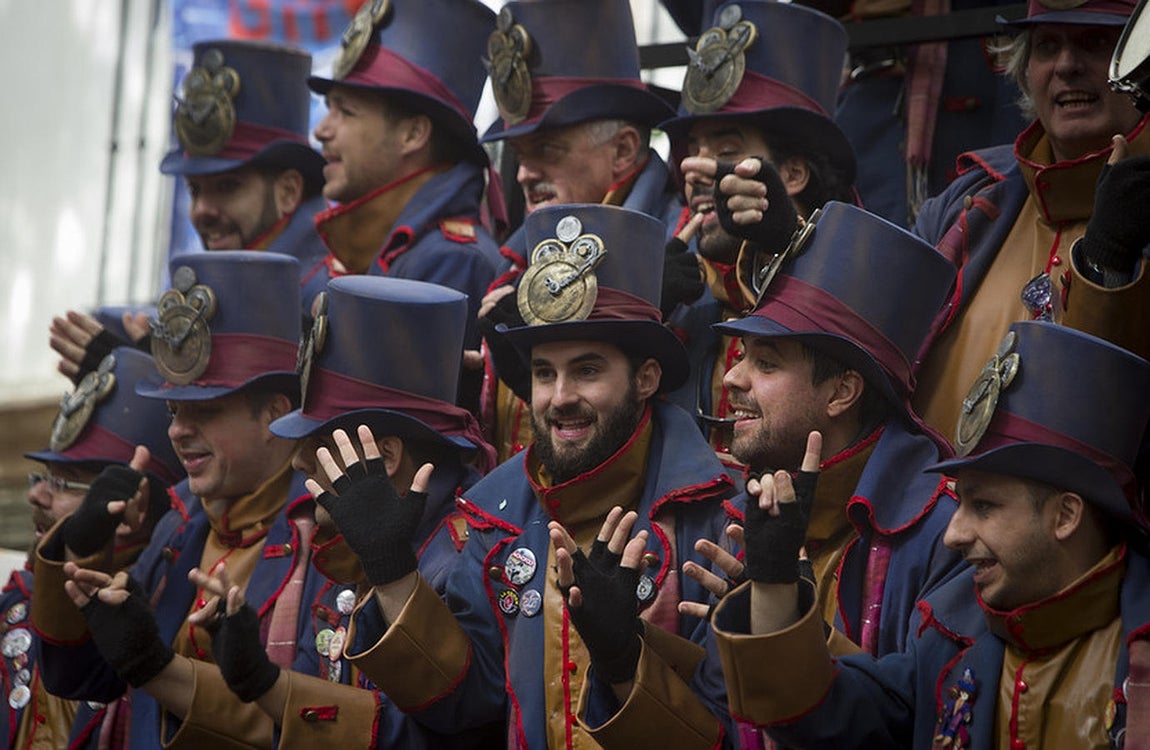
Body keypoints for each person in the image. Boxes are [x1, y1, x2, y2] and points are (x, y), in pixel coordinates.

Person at [312, 204, 739, 749]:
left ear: (647, 378)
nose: (559, 398)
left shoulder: (719, 519)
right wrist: (394, 575)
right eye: (544, 373)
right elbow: (466, 705)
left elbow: (736, 733)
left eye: (587, 369)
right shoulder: (495, 520)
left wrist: (626, 665)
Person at [574, 200, 968, 745]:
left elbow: (918, 726)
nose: (731, 377)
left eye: (766, 362)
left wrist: (787, 620)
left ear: (841, 391)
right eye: (740, 355)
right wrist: (624, 662)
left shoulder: (949, 535)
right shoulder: (748, 519)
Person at [711, 320, 1150, 748]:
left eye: (984, 506)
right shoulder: (950, 635)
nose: (953, 534)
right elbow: (829, 720)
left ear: (1066, 515)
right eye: (961, 505)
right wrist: (774, 589)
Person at [182, 275, 502, 747]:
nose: (297, 461)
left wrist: (394, 575)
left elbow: (446, 725)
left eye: (318, 442)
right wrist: (257, 677)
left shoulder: (469, 557)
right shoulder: (352, 547)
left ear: (386, 457)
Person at [32, 251, 323, 748]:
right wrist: (80, 554)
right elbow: (83, 680)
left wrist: (160, 669)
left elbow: (318, 727)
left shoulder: (326, 539)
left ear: (275, 413)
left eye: (203, 412)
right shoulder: (180, 522)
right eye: (172, 409)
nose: (177, 431)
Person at [910, 0, 1150, 440]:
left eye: (1097, 43)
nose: (1066, 65)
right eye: (1047, 46)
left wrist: (1112, 265)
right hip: (920, 506)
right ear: (1024, 71)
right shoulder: (965, 200)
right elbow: (860, 355)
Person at [49, 40, 329, 384]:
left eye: (228, 186)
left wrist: (134, 377)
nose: (201, 211)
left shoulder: (321, 302)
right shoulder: (255, 276)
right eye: (195, 189)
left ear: (288, 192)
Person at [474, 0, 680, 463]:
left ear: (624, 149)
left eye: (547, 149)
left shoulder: (690, 255)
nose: (525, 173)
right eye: (519, 154)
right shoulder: (513, 267)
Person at [656, 0, 860, 462]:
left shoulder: (855, 289)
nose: (693, 167)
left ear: (791, 174)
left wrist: (781, 251)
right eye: (693, 147)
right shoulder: (681, 292)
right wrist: (637, 323)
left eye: (725, 148)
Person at [8, 347, 182, 749]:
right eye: (43, 476)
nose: (36, 495)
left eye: (64, 483)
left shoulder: (161, 616)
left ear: (133, 503)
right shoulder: (16, 601)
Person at [301, 0, 503, 336]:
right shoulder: (396, 250)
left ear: (412, 134)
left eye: (346, 112)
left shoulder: (450, 263)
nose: (322, 131)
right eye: (328, 109)